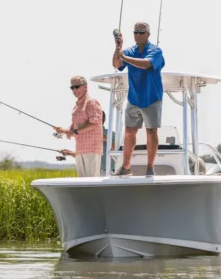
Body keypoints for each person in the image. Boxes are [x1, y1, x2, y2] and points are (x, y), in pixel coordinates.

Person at [112, 21, 165, 176]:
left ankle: (150, 167)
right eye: (136, 32)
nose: (138, 35)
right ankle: (126, 167)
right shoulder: (128, 51)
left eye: (142, 32)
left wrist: (124, 57)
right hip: (134, 98)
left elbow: (146, 64)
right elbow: (116, 63)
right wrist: (118, 47)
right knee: (129, 131)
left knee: (151, 131)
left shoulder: (156, 50)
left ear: (148, 34)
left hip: (152, 97)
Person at [53, 76, 103, 177]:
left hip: (92, 149)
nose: (74, 90)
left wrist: (74, 132)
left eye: (77, 87)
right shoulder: (76, 107)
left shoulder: (91, 102)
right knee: (82, 182)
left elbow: (94, 123)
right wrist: (63, 130)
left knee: (92, 181)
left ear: (85, 87)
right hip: (80, 149)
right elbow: (73, 129)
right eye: (72, 88)